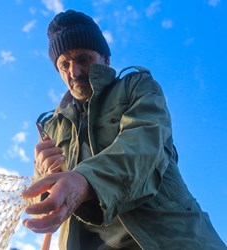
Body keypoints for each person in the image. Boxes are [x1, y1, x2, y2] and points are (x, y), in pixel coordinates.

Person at [21, 9, 227, 250]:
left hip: (172, 240)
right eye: (64, 64)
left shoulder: (137, 86)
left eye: (83, 59)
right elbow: (39, 205)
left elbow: (143, 145)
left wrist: (84, 179)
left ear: (106, 60)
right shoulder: (51, 127)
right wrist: (43, 182)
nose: (74, 72)